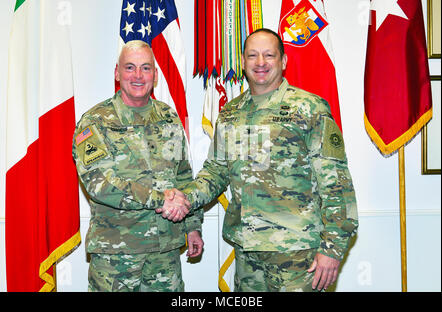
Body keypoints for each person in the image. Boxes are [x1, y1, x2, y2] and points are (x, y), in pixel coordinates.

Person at [158, 28, 358, 292]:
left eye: (268, 55)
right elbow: (215, 173)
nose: (260, 63)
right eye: (252, 55)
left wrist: (332, 248)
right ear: (243, 62)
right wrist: (183, 198)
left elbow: (336, 184)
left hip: (297, 255)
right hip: (247, 252)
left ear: (283, 61)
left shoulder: (309, 108)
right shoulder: (231, 113)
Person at [72, 40, 203, 292]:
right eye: (130, 67)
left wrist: (193, 226)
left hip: (165, 251)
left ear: (155, 74)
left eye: (145, 68)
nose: (138, 76)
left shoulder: (168, 117)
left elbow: (183, 175)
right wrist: (159, 200)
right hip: (117, 256)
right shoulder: (95, 122)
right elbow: (100, 183)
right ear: (117, 72)